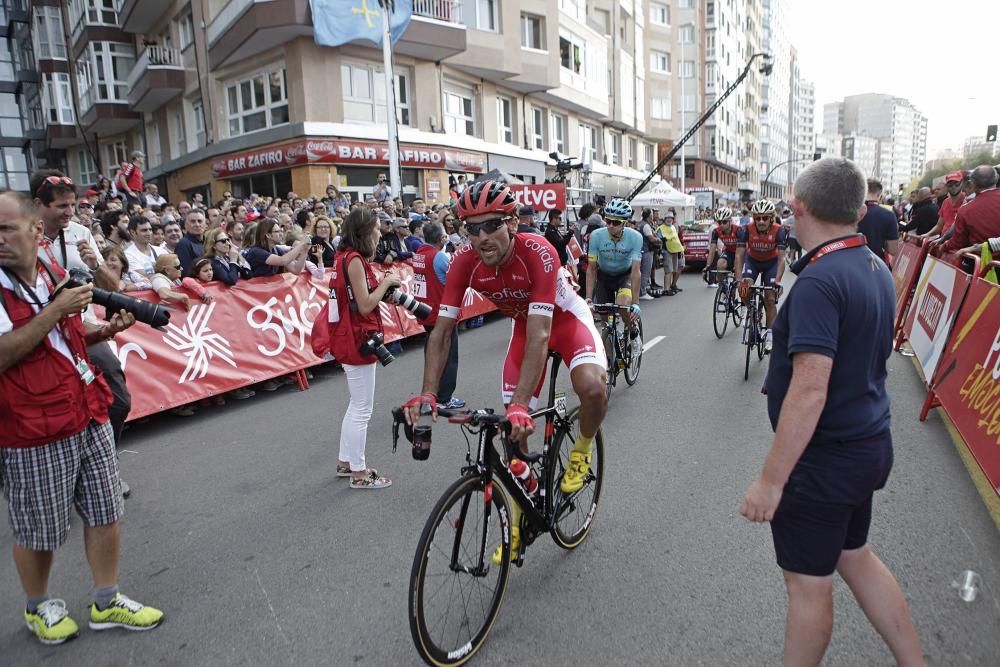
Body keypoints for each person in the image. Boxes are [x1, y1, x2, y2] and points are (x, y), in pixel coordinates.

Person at [740, 158, 924, 667]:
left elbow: (809, 390)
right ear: (861, 210)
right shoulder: (874, 267)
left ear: (798, 208)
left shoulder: (820, 280)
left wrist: (771, 482)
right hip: (866, 444)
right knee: (854, 557)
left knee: (807, 585)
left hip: (824, 461)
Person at [406, 180, 608, 564]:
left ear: (512, 223)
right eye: (472, 228)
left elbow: (542, 334)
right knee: (512, 439)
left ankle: (581, 450)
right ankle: (519, 516)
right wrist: (428, 394)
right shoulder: (465, 260)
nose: (482, 237)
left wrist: (519, 404)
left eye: (492, 225)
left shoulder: (539, 253)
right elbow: (442, 329)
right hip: (523, 329)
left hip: (563, 323)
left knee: (592, 388)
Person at [0, 190, 163, 645]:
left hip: (85, 406)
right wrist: (56, 310)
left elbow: (67, 332)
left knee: (106, 508)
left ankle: (106, 599)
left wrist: (103, 329)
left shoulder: (50, 269)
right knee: (40, 527)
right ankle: (39, 606)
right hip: (32, 424)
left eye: (5, 228)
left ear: (35, 231)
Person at [324, 208, 396, 489]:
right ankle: (359, 473)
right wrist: (387, 283)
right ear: (365, 231)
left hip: (350, 334)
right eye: (377, 228)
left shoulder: (346, 256)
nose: (381, 233)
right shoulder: (353, 259)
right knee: (362, 409)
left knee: (357, 405)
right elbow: (365, 304)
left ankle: (347, 463)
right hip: (357, 337)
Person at [412, 221, 464, 410]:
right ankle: (443, 397)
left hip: (426, 311)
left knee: (432, 354)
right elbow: (457, 278)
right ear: (441, 239)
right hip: (442, 313)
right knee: (448, 357)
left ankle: (429, 395)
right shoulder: (438, 257)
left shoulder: (419, 254)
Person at [585, 198, 643, 344]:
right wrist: (588, 298)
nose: (610, 226)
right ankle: (611, 362)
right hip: (604, 277)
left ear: (625, 222)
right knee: (606, 324)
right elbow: (591, 269)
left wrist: (636, 303)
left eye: (616, 222)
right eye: (608, 221)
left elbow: (636, 271)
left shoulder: (635, 237)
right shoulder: (596, 236)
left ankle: (634, 334)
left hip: (625, 276)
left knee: (623, 305)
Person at [735, 199, 786, 353]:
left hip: (771, 264)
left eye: (765, 218)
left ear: (771, 218)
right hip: (753, 262)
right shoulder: (745, 230)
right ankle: (750, 309)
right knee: (744, 287)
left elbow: (782, 259)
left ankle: (770, 335)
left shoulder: (779, 231)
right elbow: (739, 256)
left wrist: (777, 281)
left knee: (770, 298)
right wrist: (738, 279)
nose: (761, 221)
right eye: (758, 218)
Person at [940, 165, 1000, 255]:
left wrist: (944, 246)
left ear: (973, 184)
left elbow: (957, 242)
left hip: (982, 265)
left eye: (956, 184)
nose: (953, 187)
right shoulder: (963, 209)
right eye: (950, 184)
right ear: (996, 179)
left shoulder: (965, 210)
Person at [242, 218, 310, 278]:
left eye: (281, 231)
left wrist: (304, 251)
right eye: (277, 231)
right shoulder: (256, 252)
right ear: (268, 235)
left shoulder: (277, 250)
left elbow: (296, 270)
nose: (281, 234)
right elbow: (283, 261)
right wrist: (300, 244)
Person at [858, 180, 901, 264]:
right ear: (879, 194)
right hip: (876, 265)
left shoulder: (849, 212)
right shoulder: (888, 214)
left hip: (850, 265)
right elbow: (893, 250)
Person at [703, 207, 738, 287]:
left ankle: (734, 288)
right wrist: (707, 266)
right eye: (719, 222)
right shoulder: (716, 231)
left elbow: (739, 253)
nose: (721, 225)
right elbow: (712, 249)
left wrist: (736, 267)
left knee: (737, 270)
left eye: (724, 222)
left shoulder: (738, 230)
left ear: (730, 221)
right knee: (720, 264)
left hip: (740, 252)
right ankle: (723, 288)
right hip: (729, 251)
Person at [656, 212, 684, 295]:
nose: (669, 219)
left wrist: (681, 249)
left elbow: (676, 239)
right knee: (668, 271)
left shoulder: (672, 227)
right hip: (667, 251)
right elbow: (658, 239)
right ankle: (666, 289)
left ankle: (670, 287)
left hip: (675, 250)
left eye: (671, 218)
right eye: (667, 218)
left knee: (674, 270)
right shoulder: (661, 228)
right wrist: (661, 250)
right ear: (664, 219)